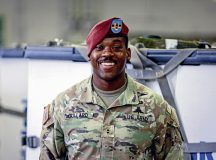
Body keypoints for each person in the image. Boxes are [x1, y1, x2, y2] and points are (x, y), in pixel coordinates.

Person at [40, 17, 183, 160]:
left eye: (116, 48)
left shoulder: (156, 107)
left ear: (128, 53)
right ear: (89, 54)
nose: (107, 53)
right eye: (99, 47)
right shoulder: (63, 104)